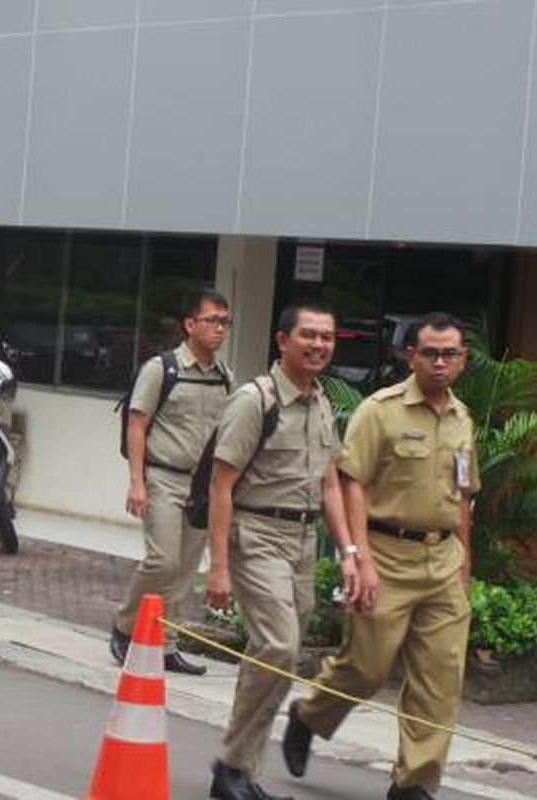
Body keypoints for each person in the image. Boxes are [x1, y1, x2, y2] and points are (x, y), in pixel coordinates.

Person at [282, 313, 477, 800]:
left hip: (444, 560)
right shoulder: (380, 410)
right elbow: (352, 483)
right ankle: (309, 715)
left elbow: (463, 496)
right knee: (366, 667)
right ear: (410, 355)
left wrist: (465, 563)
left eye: (449, 354)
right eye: (429, 352)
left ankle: (413, 784)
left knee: (439, 679)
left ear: (463, 360)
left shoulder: (462, 418)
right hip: (386, 555)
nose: (439, 362)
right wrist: (359, 557)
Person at [204, 303, 360, 800]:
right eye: (308, 335)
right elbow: (220, 485)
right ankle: (230, 765)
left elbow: (331, 485)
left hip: (303, 542)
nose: (319, 345)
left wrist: (349, 551)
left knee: (278, 659)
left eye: (328, 337)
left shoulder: (321, 403)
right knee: (277, 646)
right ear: (282, 341)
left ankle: (240, 774)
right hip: (257, 533)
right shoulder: (256, 400)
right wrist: (219, 568)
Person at [110, 289, 234, 675]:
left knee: (183, 569)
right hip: (162, 477)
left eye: (225, 322)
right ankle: (125, 627)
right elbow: (137, 422)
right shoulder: (162, 369)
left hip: (202, 487)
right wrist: (136, 481)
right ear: (190, 324)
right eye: (212, 320)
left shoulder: (225, 377)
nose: (219, 329)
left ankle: (165, 645)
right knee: (162, 560)